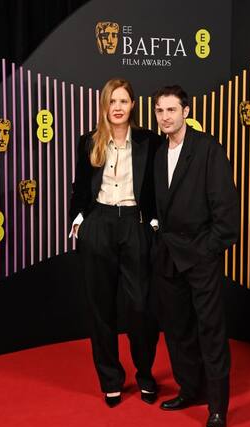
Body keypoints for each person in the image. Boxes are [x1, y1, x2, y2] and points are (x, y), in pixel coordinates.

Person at [152, 85, 239, 427]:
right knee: (177, 330)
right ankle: (190, 390)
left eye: (172, 110)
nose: (165, 117)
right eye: (159, 111)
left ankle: (217, 409)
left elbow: (226, 213)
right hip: (169, 256)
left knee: (210, 331)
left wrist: (208, 251)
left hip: (200, 256)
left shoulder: (208, 150)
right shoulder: (158, 153)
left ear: (186, 111)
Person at [69, 78, 161, 408]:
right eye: (112, 102)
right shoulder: (88, 142)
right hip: (100, 224)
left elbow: (158, 186)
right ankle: (111, 379)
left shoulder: (149, 141)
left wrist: (154, 222)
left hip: (135, 225)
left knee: (140, 306)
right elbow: (80, 189)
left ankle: (146, 373)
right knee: (101, 308)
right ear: (104, 106)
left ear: (133, 105)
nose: (118, 107)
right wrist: (78, 220)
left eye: (123, 101)